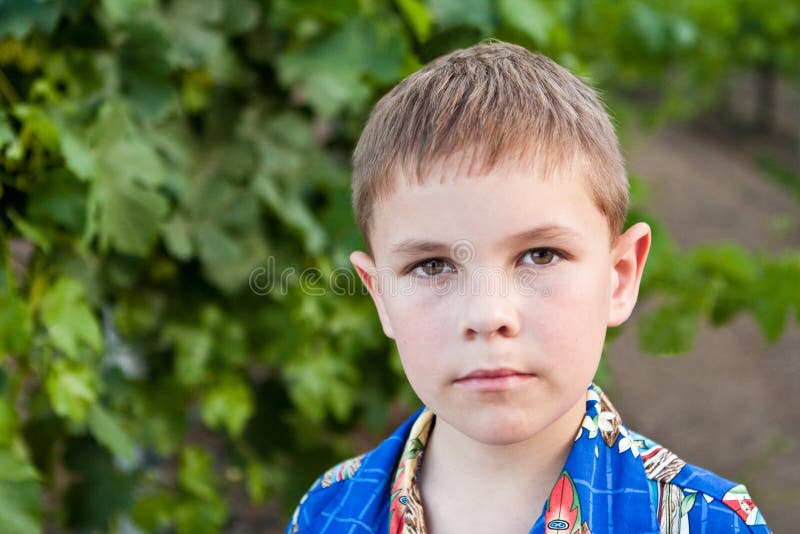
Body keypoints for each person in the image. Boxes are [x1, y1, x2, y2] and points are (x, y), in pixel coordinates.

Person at [286, 41, 770, 533]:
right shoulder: (326, 513)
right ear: (381, 295)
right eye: (432, 266)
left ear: (619, 276)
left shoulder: (713, 523)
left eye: (540, 255)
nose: (488, 314)